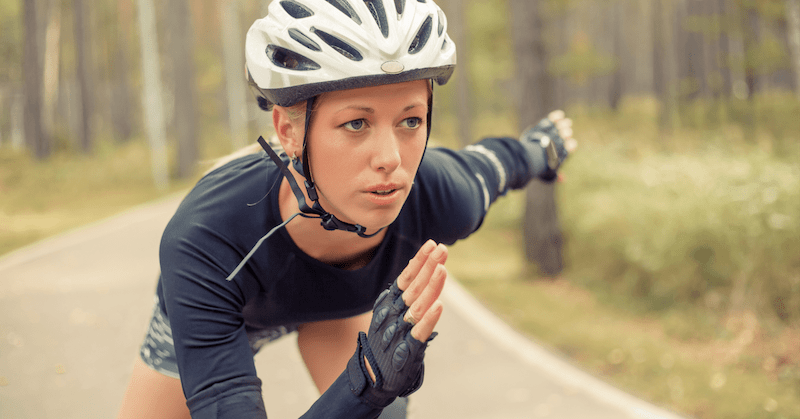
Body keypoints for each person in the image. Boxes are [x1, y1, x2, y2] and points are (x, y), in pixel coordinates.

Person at [116, 0, 575, 418]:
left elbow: (499, 165)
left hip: (340, 311)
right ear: (289, 132)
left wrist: (543, 151)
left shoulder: (441, 196)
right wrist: (366, 384)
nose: (391, 158)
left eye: (411, 120)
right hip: (232, 310)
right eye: (356, 122)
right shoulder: (207, 237)